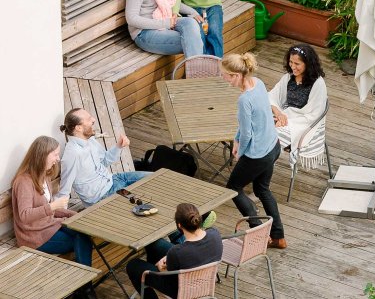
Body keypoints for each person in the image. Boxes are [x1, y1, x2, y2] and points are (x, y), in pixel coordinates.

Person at [11, 136, 97, 299]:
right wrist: (52, 206)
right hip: (33, 237)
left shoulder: (44, 176)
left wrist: (74, 214)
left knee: (84, 232)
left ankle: (83, 288)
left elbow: (51, 210)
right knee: (81, 240)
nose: (58, 158)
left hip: (49, 227)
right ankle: (85, 289)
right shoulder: (24, 182)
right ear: (42, 155)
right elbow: (24, 216)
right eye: (55, 154)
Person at [221, 53, 287, 249]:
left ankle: (257, 232)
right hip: (272, 147)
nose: (223, 78)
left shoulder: (244, 100)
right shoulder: (258, 83)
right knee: (262, 189)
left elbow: (248, 133)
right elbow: (252, 123)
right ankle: (278, 237)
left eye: (225, 75)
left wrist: (240, 153)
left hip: (257, 154)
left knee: (233, 188)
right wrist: (236, 139)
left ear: (235, 75)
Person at [56, 108, 150, 207]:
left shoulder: (90, 140)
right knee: (141, 203)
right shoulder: (72, 153)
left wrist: (119, 146)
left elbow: (105, 160)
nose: (93, 119)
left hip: (115, 180)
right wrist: (62, 214)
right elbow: (65, 189)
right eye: (89, 119)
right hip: (103, 196)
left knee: (158, 178)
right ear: (79, 128)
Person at [126, 203, 222, 299]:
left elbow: (165, 272)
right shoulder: (215, 233)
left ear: (179, 225)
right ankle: (150, 272)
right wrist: (169, 258)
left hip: (180, 289)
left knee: (133, 265)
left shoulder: (177, 251)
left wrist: (160, 266)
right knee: (154, 244)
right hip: (205, 282)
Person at [269, 44, 327, 168]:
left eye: (297, 64)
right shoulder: (288, 77)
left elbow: (313, 115)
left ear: (308, 64)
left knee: (270, 138)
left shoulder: (318, 83)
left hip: (303, 123)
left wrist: (286, 121)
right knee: (259, 128)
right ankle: (259, 166)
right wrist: (279, 114)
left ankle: (263, 169)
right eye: (291, 62)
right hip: (285, 116)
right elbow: (271, 96)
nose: (293, 67)